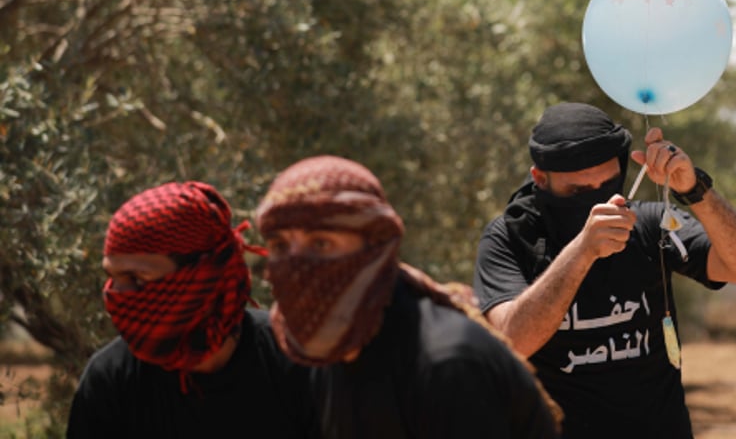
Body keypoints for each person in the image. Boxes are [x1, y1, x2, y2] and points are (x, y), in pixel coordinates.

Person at [473, 102, 736, 439]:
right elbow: (511, 341)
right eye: (578, 191)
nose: (597, 200)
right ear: (540, 179)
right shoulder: (510, 237)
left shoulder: (647, 224)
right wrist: (583, 251)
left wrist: (694, 190)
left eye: (607, 185)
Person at [254, 154, 562, 438]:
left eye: (320, 244)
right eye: (280, 246)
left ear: (374, 247)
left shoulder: (446, 363)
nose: (295, 265)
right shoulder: (330, 347)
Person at [66, 181, 318, 439]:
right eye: (112, 277)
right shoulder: (111, 379)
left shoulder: (297, 362)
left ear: (201, 274)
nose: (117, 295)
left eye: (137, 278)